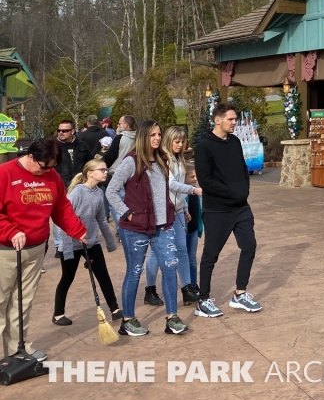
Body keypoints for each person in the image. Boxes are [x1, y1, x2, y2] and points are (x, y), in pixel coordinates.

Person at [105, 120, 198, 337]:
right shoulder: (131, 161)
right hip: (136, 227)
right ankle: (127, 320)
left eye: (159, 134)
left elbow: (167, 190)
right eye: (152, 135)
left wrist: (181, 203)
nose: (156, 138)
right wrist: (126, 212)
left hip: (162, 225)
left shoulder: (162, 160)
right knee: (134, 272)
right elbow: (111, 191)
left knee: (169, 267)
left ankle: (172, 318)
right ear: (143, 137)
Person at [0, 138, 86, 361]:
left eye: (52, 166)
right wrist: (10, 230)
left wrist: (77, 230)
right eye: (43, 165)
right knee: (1, 301)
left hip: (36, 248)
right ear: (30, 156)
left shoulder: (51, 176)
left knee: (23, 301)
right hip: (6, 251)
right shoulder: (5, 173)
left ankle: (18, 349)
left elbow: (61, 207)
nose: (47, 170)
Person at [193, 102, 261, 318]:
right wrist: (232, 193)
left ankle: (240, 295)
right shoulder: (204, 145)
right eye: (230, 119)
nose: (234, 123)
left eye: (235, 119)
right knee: (210, 255)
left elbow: (242, 167)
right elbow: (206, 180)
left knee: (249, 246)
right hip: (217, 210)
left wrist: (244, 190)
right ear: (217, 120)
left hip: (241, 207)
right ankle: (203, 301)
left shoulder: (234, 141)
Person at [51, 159, 119, 326]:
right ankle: (58, 313)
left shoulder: (98, 193)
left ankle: (115, 309)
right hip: (71, 243)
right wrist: (65, 249)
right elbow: (64, 220)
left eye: (106, 169)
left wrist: (110, 243)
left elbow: (101, 220)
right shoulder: (77, 193)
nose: (105, 172)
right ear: (89, 173)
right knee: (67, 277)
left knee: (103, 274)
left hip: (91, 242)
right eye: (101, 169)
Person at [143, 126, 200, 308]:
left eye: (182, 141)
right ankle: (150, 289)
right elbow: (172, 184)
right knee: (157, 253)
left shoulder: (178, 159)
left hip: (177, 211)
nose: (180, 144)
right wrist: (193, 190)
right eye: (176, 141)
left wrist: (183, 208)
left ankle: (187, 288)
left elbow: (176, 193)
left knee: (182, 248)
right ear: (169, 141)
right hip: (162, 213)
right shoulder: (163, 159)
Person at [55, 119, 89, 188]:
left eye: (65, 131)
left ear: (72, 131)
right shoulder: (52, 146)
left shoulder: (82, 145)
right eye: (59, 130)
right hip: (59, 185)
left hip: (79, 184)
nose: (61, 133)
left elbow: (88, 164)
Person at [184, 166, 203, 289]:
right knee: (181, 259)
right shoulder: (180, 193)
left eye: (196, 176)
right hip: (183, 231)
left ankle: (193, 283)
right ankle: (186, 285)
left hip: (194, 229)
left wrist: (200, 228)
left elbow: (199, 212)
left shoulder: (197, 193)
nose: (195, 179)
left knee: (192, 258)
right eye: (192, 177)